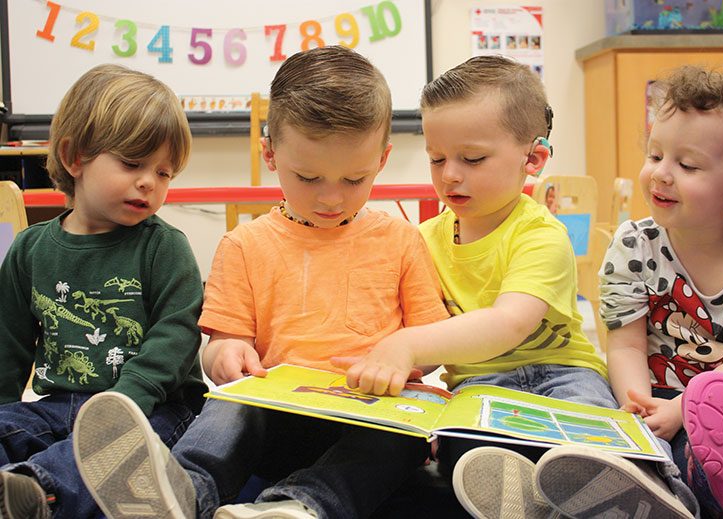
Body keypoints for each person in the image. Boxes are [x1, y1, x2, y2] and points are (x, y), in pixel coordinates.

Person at [72, 45, 450, 519]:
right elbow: (221, 346)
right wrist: (225, 355)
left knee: (405, 438)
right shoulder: (245, 245)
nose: (331, 198)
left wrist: (405, 355)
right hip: (274, 419)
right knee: (230, 408)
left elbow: (434, 344)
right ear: (269, 152)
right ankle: (181, 495)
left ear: (383, 158)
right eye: (308, 176)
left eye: (355, 178)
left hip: (368, 418)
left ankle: (296, 508)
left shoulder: (400, 239)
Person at [334, 55, 699, 519]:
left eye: (472, 159)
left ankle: (663, 494)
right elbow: (424, 337)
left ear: (534, 158)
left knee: (600, 444)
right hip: (479, 385)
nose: (449, 175)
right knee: (465, 454)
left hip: (562, 373)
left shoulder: (540, 233)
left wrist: (404, 344)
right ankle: (537, 504)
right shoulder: (421, 241)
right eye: (436, 158)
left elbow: (509, 323)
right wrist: (379, 358)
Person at [0, 63, 206, 518]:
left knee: (107, 454)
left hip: (152, 409)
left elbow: (176, 336)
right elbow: (9, 342)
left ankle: (38, 491)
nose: (149, 181)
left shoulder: (164, 247)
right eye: (132, 163)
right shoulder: (30, 249)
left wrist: (125, 403)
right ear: (75, 158)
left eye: (165, 172)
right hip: (57, 405)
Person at [600, 64, 723, 518]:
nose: (660, 174)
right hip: (652, 390)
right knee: (615, 439)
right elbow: (625, 344)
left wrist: (687, 408)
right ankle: (667, 482)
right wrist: (636, 407)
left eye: (687, 164)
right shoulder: (633, 243)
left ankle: (708, 485)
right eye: (655, 155)